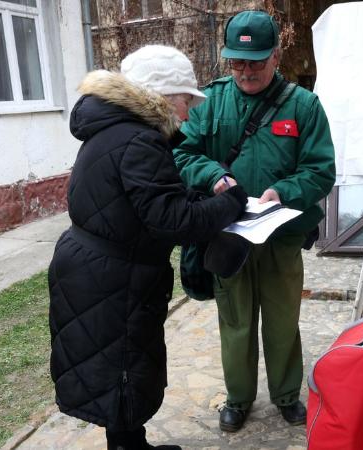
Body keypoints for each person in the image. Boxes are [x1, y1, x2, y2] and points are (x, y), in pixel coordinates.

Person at [48, 45, 249, 450]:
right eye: (186, 100)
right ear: (165, 96)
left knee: (118, 367)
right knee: (122, 369)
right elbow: (171, 220)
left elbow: (149, 200)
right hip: (113, 278)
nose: (189, 112)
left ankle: (130, 444)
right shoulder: (138, 140)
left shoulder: (116, 131)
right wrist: (232, 202)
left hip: (98, 270)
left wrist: (197, 196)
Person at [173, 11, 336, 432]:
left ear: (276, 56)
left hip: (281, 236)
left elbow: (321, 170)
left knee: (283, 320)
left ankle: (285, 395)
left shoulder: (303, 105)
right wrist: (214, 176)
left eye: (256, 62)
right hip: (228, 236)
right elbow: (182, 154)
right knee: (236, 321)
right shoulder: (211, 102)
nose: (246, 71)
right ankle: (239, 398)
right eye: (237, 62)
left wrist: (283, 192)